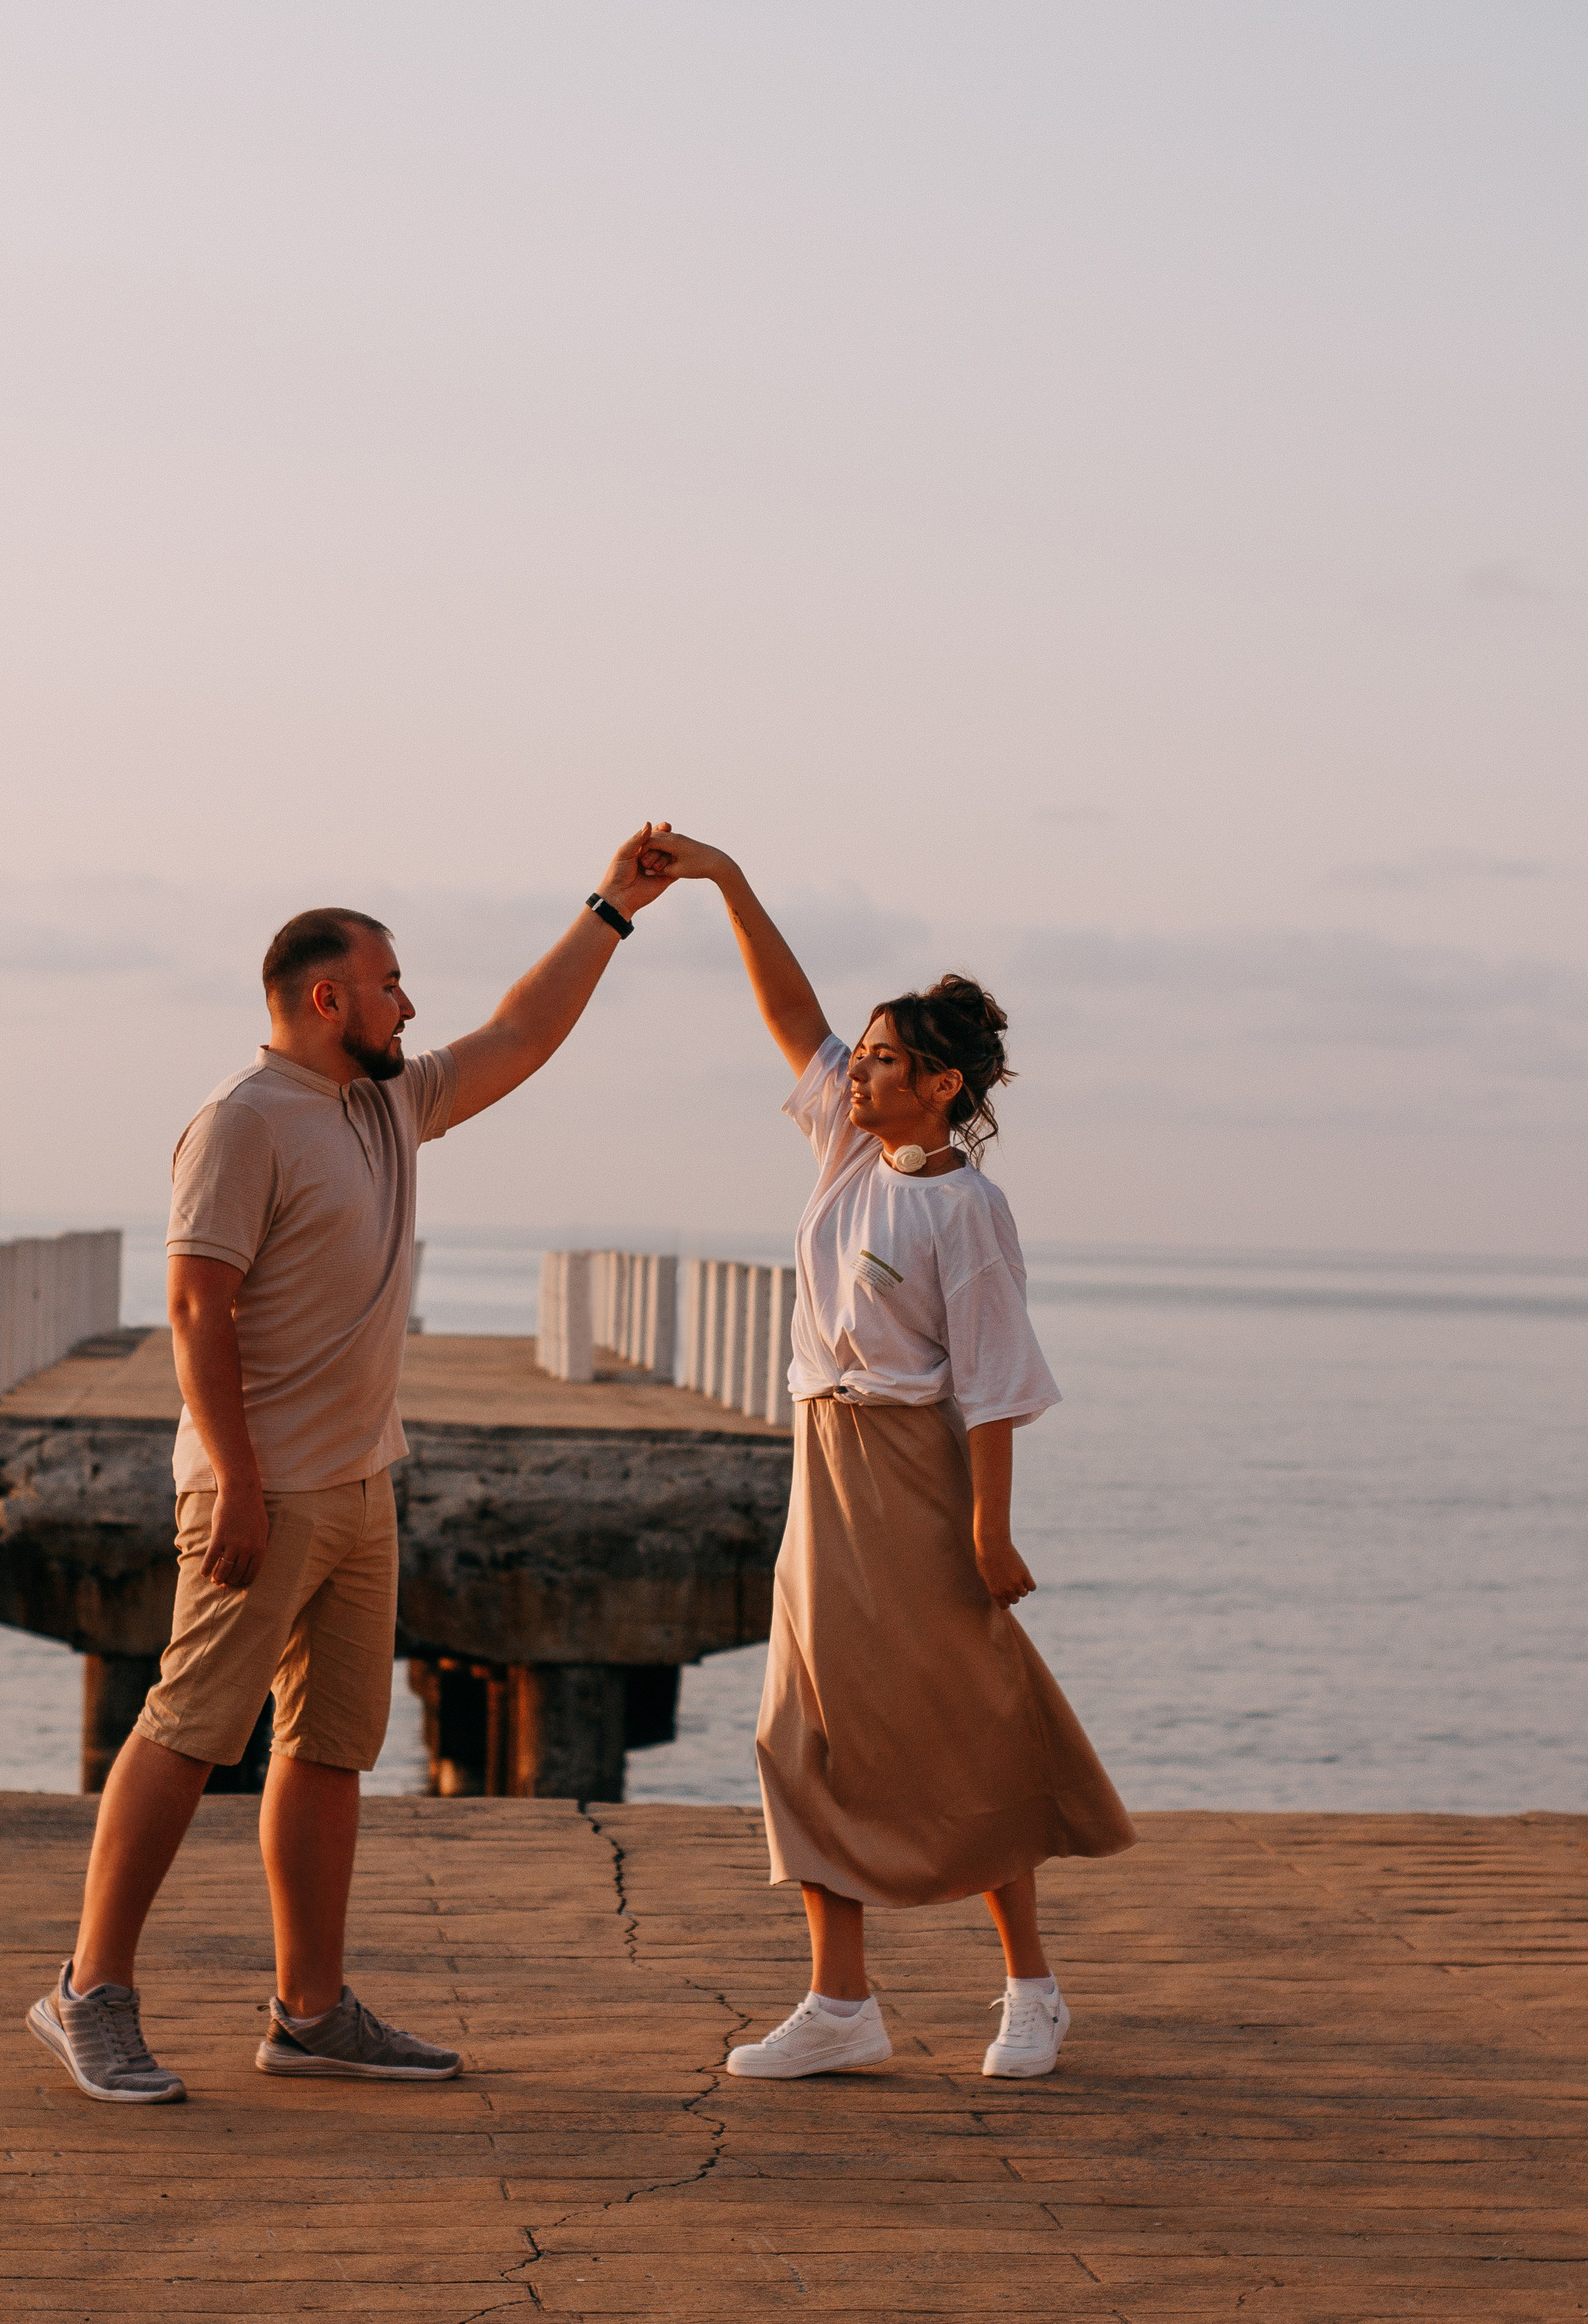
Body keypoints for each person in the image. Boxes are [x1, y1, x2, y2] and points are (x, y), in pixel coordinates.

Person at [26, 828, 672, 2104]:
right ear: (328, 999)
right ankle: (86, 1991)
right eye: (389, 985)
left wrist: (611, 908)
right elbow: (196, 1311)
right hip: (256, 1484)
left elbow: (518, 1035)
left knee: (327, 1750)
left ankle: (311, 2012)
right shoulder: (241, 1123)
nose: (409, 1004)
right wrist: (242, 1480)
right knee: (184, 1731)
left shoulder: (387, 1101)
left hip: (364, 1484)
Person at [641, 832, 1136, 2080]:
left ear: (941, 1087)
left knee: (962, 1718)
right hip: (822, 1457)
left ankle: (1030, 1988)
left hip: (915, 1468)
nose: (850, 1076)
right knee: (799, 1730)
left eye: (878, 1065)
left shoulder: (963, 1210)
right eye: (854, 1061)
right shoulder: (845, 1150)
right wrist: (723, 882)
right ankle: (840, 2004)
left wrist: (985, 1530)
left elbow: (995, 1384)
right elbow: (787, 1006)